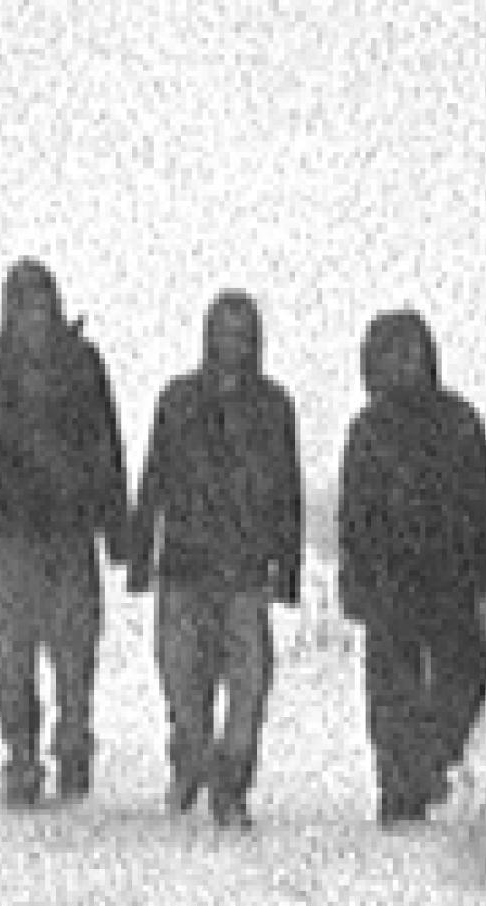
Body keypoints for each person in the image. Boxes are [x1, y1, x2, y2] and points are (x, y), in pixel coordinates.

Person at [0, 258, 128, 807]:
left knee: (75, 650)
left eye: (41, 301)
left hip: (72, 533)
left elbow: (106, 448)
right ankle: (22, 754)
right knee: (14, 654)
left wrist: (118, 528)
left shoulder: (83, 365)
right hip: (12, 535)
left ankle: (73, 743)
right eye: (22, 303)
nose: (33, 314)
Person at [128, 290, 302, 828]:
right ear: (208, 337)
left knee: (248, 691)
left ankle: (232, 783)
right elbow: (154, 478)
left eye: (242, 333)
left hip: (246, 571)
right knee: (184, 684)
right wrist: (140, 553)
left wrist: (288, 566)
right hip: (184, 566)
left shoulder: (274, 406)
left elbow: (287, 491)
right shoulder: (177, 400)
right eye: (223, 332)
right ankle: (188, 764)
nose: (233, 344)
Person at [339, 308, 486, 825]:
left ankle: (433, 761)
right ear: (373, 362)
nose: (402, 363)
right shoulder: (368, 429)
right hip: (389, 579)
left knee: (470, 675)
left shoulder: (460, 420)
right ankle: (398, 789)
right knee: (391, 690)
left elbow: (485, 497)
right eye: (390, 353)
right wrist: (354, 575)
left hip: (450, 576)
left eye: (411, 351)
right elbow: (354, 511)